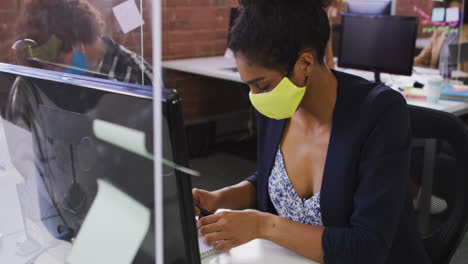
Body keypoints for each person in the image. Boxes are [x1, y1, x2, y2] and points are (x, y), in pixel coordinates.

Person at [193, 0, 430, 263]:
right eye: (249, 86)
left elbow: (368, 248)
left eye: (261, 85)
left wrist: (263, 226)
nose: (255, 97)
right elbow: (273, 181)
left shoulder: (380, 114)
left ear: (304, 63)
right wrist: (217, 199)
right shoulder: (279, 106)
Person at [13, 0, 152, 85]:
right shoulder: (43, 79)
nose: (54, 72)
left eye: (57, 63)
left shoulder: (136, 77)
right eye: (48, 68)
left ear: (78, 41)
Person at [414, 0, 468, 75]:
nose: (455, 15)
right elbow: (422, 59)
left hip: (460, 83)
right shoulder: (439, 32)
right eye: (451, 11)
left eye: (459, 11)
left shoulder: (466, 33)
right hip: (437, 80)